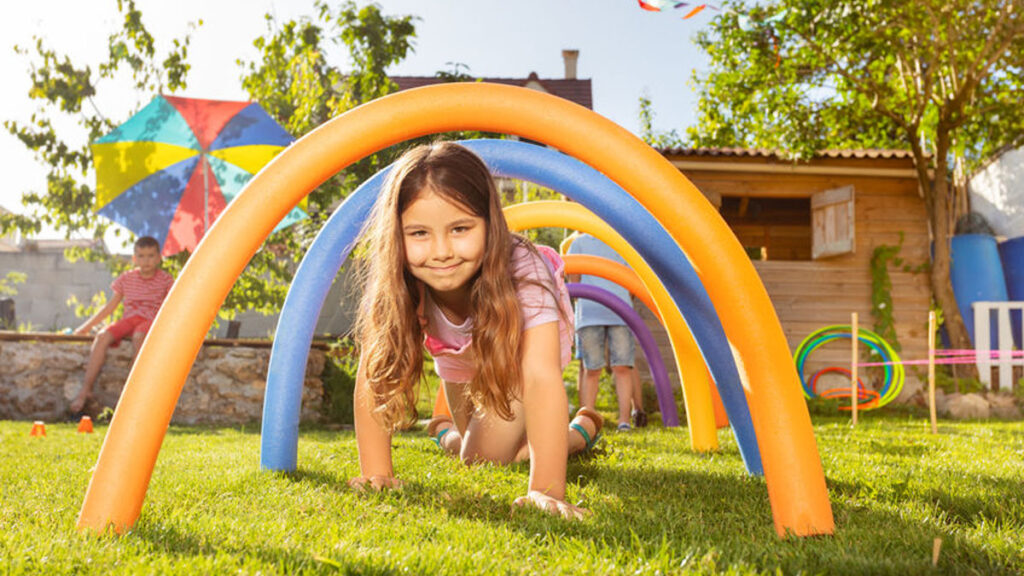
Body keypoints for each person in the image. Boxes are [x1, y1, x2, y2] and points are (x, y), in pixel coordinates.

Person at [349, 142, 603, 520]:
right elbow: (377, 372)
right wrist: (376, 473)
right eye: (419, 233)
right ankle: (449, 431)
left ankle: (583, 428)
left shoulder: (522, 270)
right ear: (396, 235)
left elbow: (539, 376)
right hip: (460, 358)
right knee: (478, 451)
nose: (441, 251)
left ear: (490, 223)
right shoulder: (400, 278)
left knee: (481, 457)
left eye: (460, 229)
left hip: (519, 356)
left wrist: (545, 490)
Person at [70, 236, 174, 415]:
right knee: (102, 336)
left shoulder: (165, 280)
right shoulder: (127, 278)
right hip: (129, 320)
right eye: (141, 256)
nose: (146, 260)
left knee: (139, 337)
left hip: (150, 321)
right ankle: (86, 389)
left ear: (158, 258)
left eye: (150, 256)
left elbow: (172, 307)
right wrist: (85, 328)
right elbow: (110, 307)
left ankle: (133, 393)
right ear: (134, 259)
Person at [566, 233, 646, 431]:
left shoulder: (620, 242)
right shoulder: (581, 243)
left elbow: (633, 281)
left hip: (612, 312)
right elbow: (574, 283)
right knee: (599, 368)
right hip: (598, 312)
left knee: (616, 367)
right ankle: (590, 420)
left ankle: (622, 421)